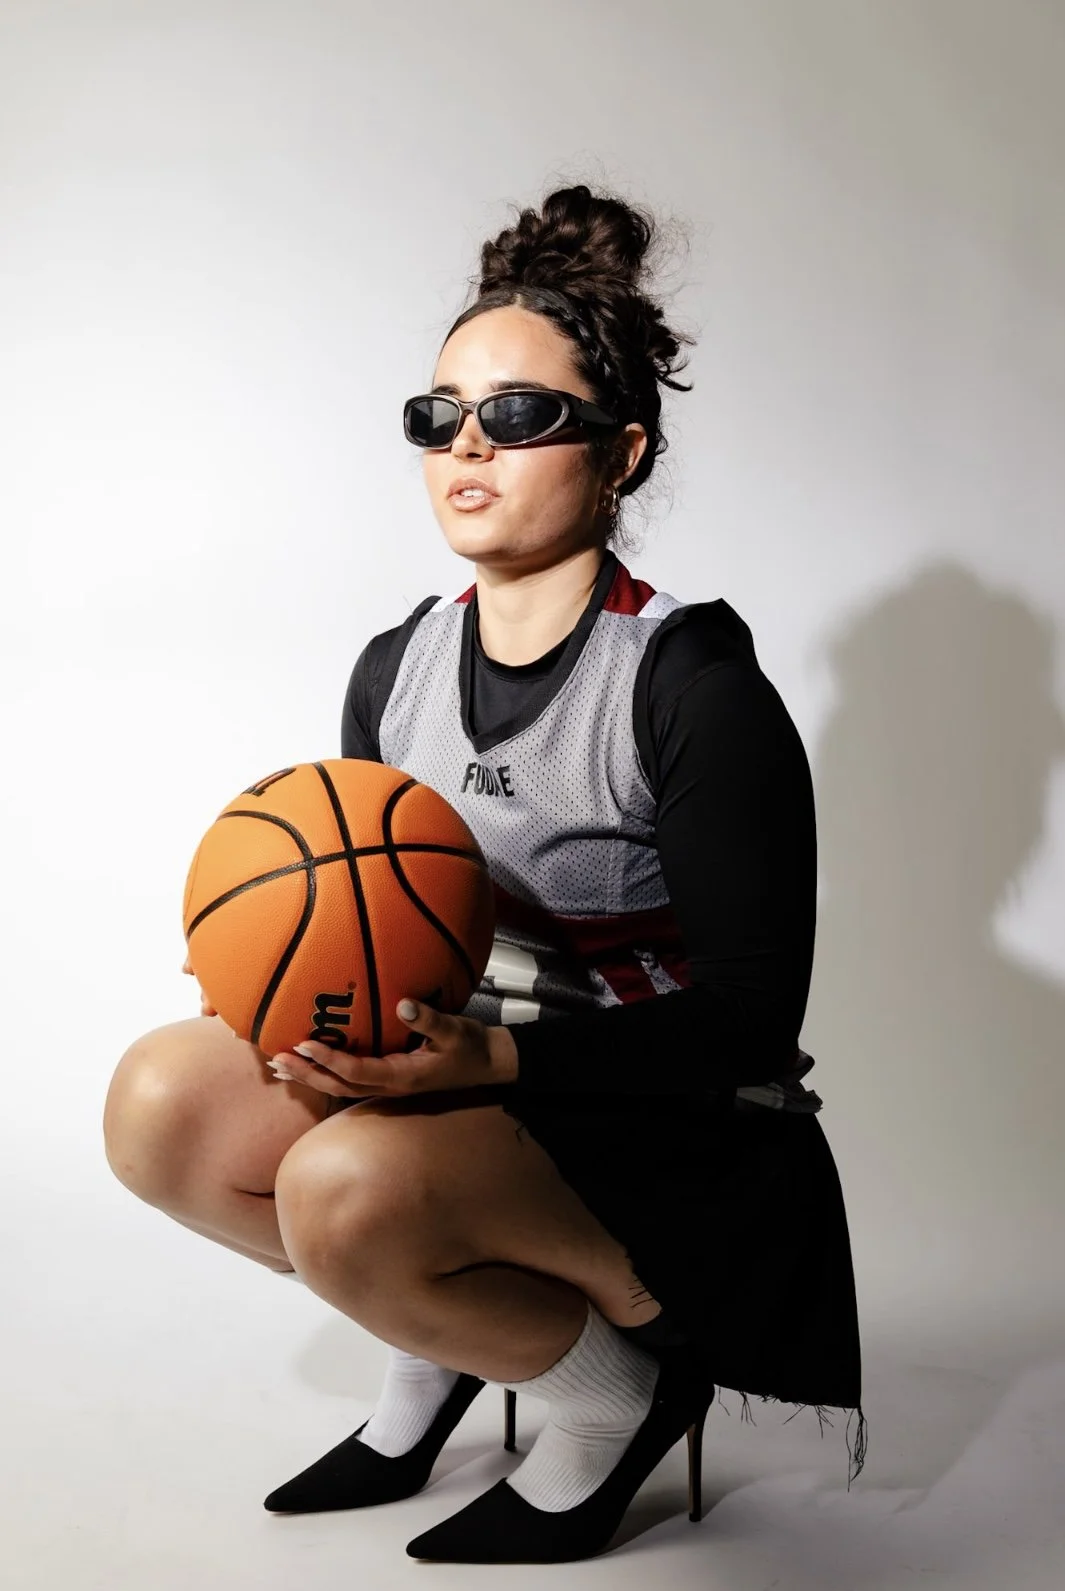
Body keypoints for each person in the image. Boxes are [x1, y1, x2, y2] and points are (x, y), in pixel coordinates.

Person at [103, 181, 866, 1564]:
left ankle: (613, 1381)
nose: (470, 446)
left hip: (674, 1128)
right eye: (439, 414)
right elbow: (367, 933)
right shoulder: (398, 670)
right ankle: (444, 1336)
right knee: (163, 1100)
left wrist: (490, 1068)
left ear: (622, 450)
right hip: (465, 1085)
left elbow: (755, 1020)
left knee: (340, 1183)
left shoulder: (690, 686)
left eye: (519, 416)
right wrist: (284, 975)